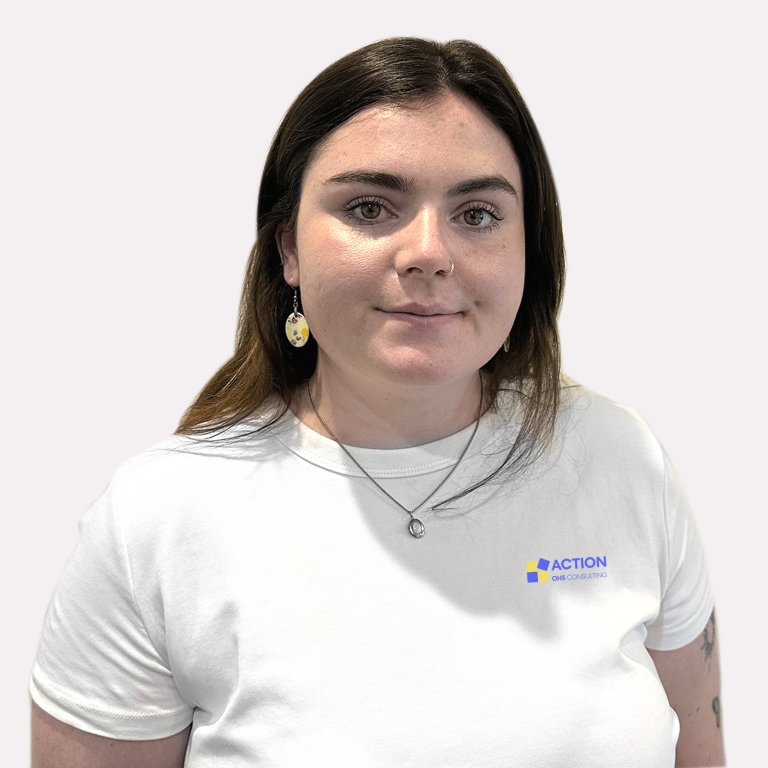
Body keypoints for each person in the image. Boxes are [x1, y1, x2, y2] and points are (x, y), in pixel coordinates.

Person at [29, 37, 724, 767]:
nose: (429, 253)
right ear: (288, 249)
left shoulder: (623, 459)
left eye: (477, 215)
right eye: (369, 207)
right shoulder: (158, 520)